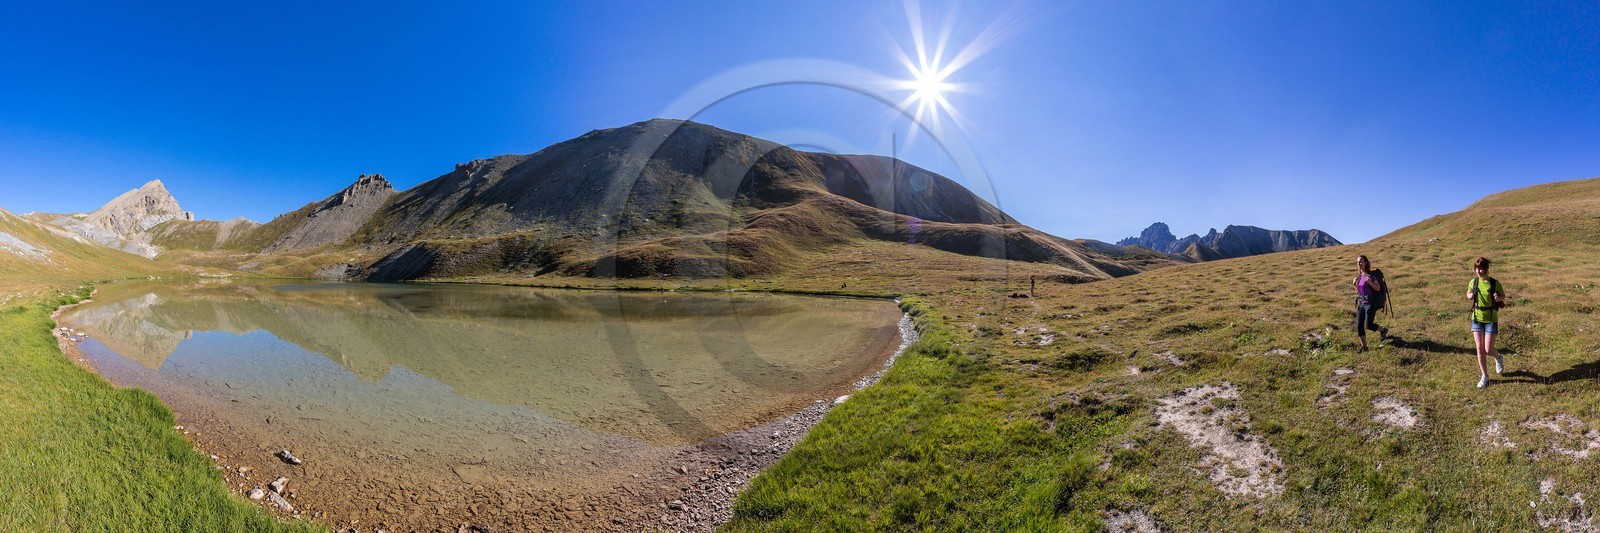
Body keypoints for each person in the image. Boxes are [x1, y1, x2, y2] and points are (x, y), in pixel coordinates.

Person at [1468, 257, 1507, 388]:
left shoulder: (1495, 283)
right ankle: (1485, 376)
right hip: (1476, 318)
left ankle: (1499, 358)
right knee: (1479, 348)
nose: (1478, 271)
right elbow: (1468, 293)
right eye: (1477, 268)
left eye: (1481, 269)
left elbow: (1503, 296)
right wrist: (1469, 295)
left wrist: (1498, 298)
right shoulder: (1473, 282)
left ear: (1486, 269)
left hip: (1491, 318)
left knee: (1488, 349)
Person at [1352, 255, 1389, 351]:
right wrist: (1355, 284)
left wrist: (1371, 283)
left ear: (1365, 263)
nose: (1359, 264)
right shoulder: (1358, 276)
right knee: (1359, 325)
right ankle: (1364, 347)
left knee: (1368, 325)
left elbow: (1378, 288)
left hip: (1370, 303)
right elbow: (1360, 289)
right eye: (1357, 262)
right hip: (1361, 302)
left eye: (1361, 262)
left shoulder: (1370, 275)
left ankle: (1383, 330)